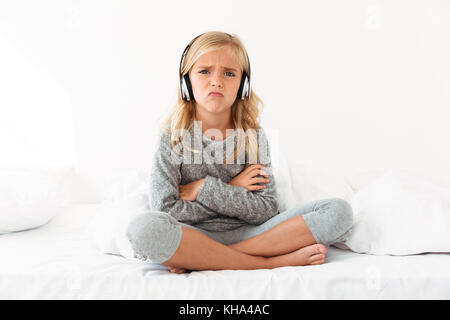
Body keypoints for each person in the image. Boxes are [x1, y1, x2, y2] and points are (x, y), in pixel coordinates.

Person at [126, 31, 353, 273]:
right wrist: (233, 187)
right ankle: (268, 262)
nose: (216, 81)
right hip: (193, 235)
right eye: (204, 71)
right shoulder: (171, 136)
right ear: (186, 80)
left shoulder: (253, 136)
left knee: (338, 212)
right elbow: (166, 210)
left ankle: (205, 259)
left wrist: (202, 189)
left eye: (229, 73)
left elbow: (265, 210)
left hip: (254, 234)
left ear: (242, 84)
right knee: (143, 229)